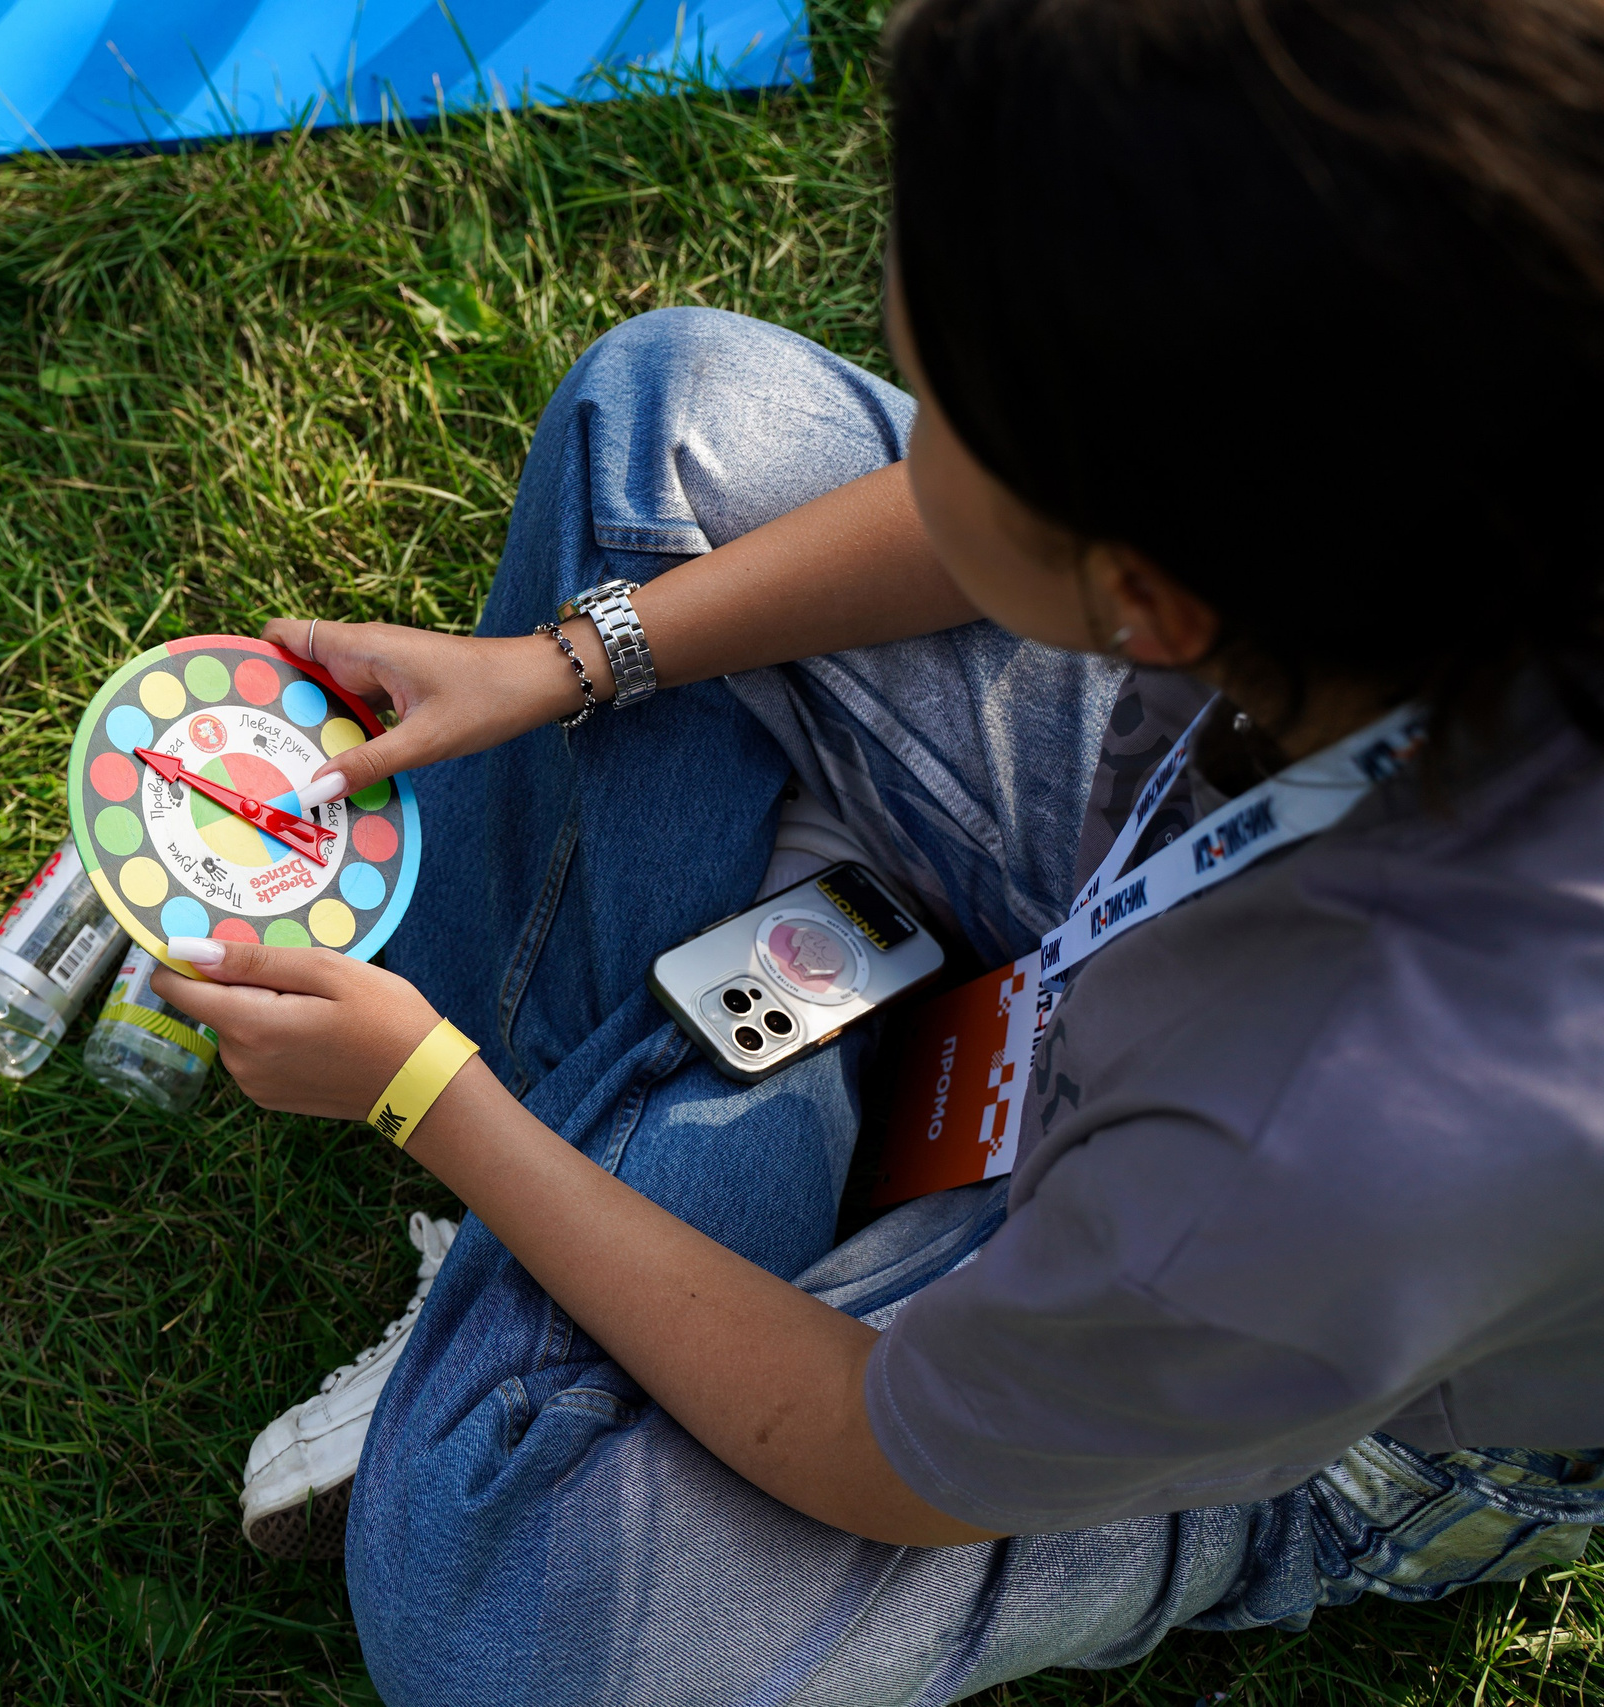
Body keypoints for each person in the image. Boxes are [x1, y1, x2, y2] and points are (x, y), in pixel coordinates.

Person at [154, 0, 1604, 1699]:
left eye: (950, 413)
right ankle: (793, 1034)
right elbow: (972, 518)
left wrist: (435, 1102)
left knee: (508, 1625)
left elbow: (876, 1455)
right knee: (675, 421)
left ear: (1151, 595)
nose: (913, 427)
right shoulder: (1484, 402)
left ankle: (696, 1113)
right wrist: (568, 661)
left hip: (1300, 1353)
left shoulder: (1320, 1139)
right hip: (1239, 848)